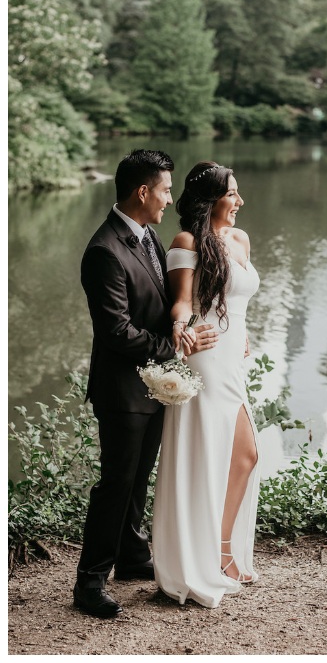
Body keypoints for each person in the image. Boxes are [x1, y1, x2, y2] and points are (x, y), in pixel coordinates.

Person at [75, 150, 219, 618]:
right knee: (116, 484)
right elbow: (115, 331)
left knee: (138, 480)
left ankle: (133, 557)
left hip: (153, 386)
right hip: (121, 391)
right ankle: (89, 582)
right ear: (143, 192)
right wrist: (173, 347)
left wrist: (186, 326)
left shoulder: (148, 237)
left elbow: (160, 306)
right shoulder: (104, 250)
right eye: (164, 189)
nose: (169, 198)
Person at [152, 162, 263, 608]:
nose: (238, 202)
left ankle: (219, 550)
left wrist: (244, 331)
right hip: (206, 358)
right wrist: (182, 330)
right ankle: (202, 559)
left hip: (233, 359)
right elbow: (181, 303)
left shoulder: (239, 239)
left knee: (244, 456)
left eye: (237, 193)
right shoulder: (186, 242)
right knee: (217, 452)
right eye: (231, 194)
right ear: (209, 198)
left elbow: (235, 301)